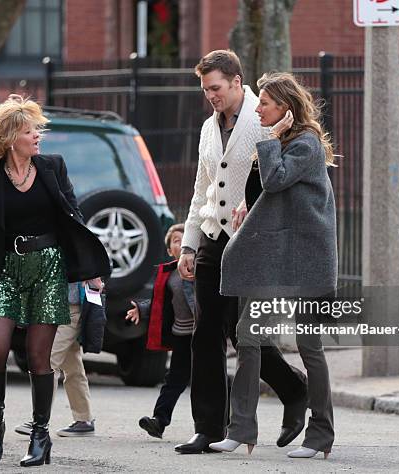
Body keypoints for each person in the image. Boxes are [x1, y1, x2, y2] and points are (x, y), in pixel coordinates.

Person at [0, 95, 110, 467]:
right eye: (30, 131)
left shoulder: (52, 167)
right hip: (4, 270)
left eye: (37, 130)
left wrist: (91, 269)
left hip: (48, 268)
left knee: (38, 357)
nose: (37, 137)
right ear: (11, 138)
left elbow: (73, 218)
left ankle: (40, 437)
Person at [174, 50, 308, 455]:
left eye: (215, 88)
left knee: (241, 332)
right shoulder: (207, 128)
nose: (210, 96)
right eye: (205, 90)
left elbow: (278, 180)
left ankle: (294, 389)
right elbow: (203, 187)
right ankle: (208, 428)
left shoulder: (263, 117)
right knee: (205, 334)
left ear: (236, 81)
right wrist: (189, 244)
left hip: (251, 242)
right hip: (214, 240)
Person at [212, 72, 338, 459]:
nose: (257, 108)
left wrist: (269, 143)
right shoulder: (283, 141)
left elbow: (277, 179)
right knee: (247, 336)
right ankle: (241, 429)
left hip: (307, 259)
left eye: (264, 103)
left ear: (285, 108)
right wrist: (247, 207)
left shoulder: (306, 143)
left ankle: (319, 437)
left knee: (309, 345)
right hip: (273, 257)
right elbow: (269, 191)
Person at [125, 224, 194, 439]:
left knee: (212, 380)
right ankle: (159, 421)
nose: (181, 243)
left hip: (202, 335)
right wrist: (142, 308)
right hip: (181, 336)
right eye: (176, 240)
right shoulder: (169, 273)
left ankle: (225, 424)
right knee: (174, 380)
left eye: (185, 239)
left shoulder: (200, 269)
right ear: (170, 250)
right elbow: (159, 302)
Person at [14, 280, 104, 438]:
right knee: (73, 366)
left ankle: (39, 421)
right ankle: (84, 420)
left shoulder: (81, 255)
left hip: (71, 310)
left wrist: (93, 274)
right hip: (55, 309)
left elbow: (98, 260)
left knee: (48, 362)